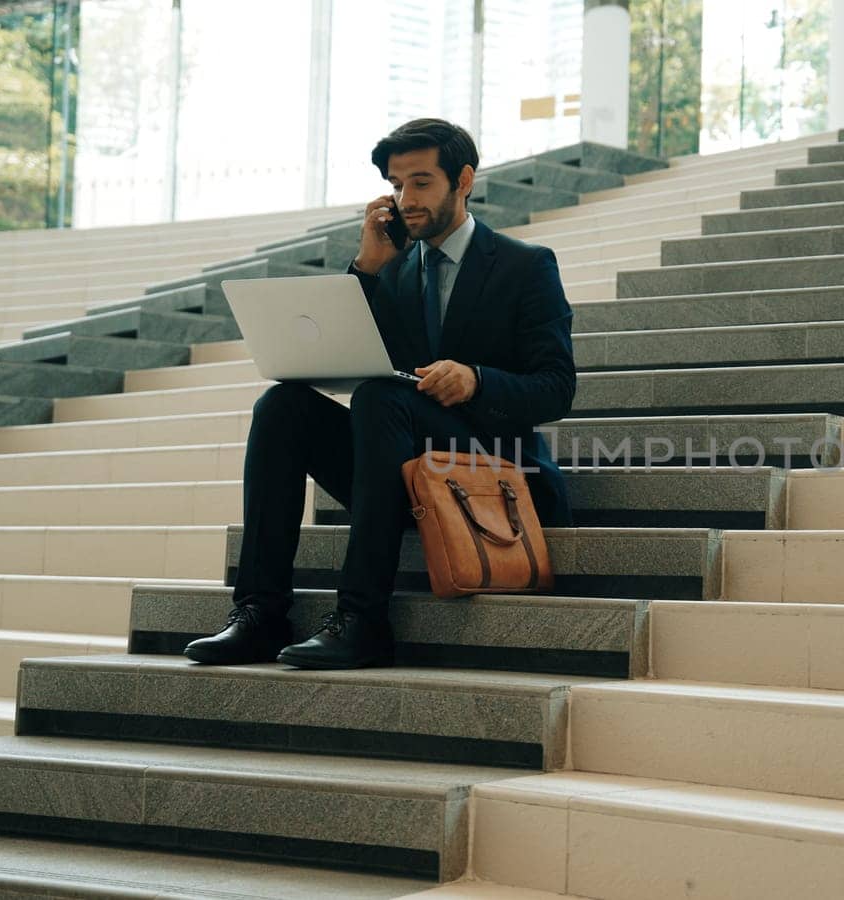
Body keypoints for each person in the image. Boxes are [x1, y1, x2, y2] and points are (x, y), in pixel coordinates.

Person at [185, 118, 576, 670]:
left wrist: (477, 379)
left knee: (378, 399)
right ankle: (259, 611)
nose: (404, 199)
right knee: (282, 406)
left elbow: (557, 389)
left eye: (420, 182)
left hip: (492, 471)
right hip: (399, 465)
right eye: (396, 185)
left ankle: (363, 619)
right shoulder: (390, 271)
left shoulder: (525, 265)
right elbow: (359, 359)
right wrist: (366, 270)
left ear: (463, 180)